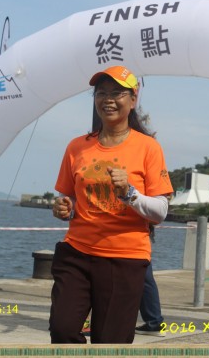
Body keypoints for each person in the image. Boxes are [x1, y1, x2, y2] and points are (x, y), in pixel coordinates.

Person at [49, 65, 174, 344]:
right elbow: (68, 198)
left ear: (133, 99)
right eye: (101, 93)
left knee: (110, 342)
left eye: (117, 93)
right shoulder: (77, 147)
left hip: (125, 258)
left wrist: (129, 193)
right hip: (77, 252)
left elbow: (160, 212)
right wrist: (62, 208)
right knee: (62, 329)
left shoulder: (148, 148)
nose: (108, 100)